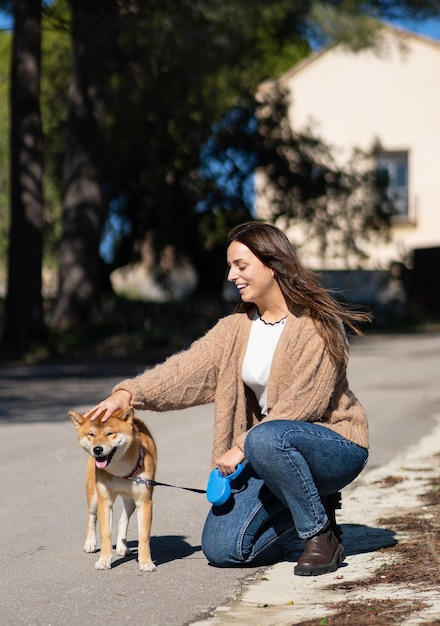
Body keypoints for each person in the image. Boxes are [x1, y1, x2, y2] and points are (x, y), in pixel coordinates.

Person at [85, 221, 371, 576]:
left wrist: (242, 446)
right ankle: (309, 503)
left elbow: (303, 404)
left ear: (272, 264)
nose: (231, 275)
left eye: (241, 265)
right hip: (269, 452)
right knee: (223, 549)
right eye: (230, 266)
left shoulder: (316, 324)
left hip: (332, 447)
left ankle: (320, 536)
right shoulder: (235, 328)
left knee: (269, 436)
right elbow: (184, 371)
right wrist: (130, 393)